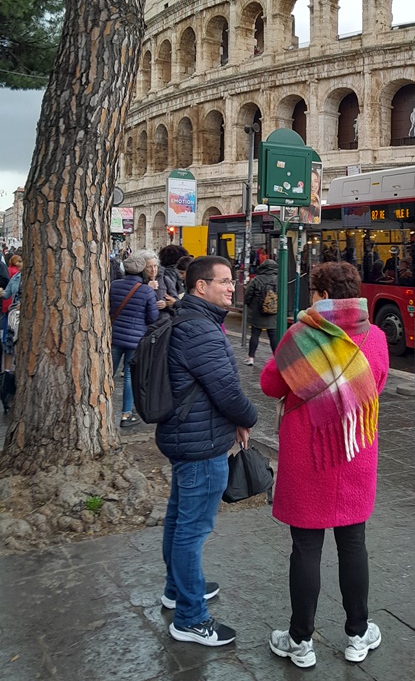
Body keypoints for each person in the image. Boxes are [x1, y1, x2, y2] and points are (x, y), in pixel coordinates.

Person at [261, 261, 390, 668]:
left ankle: (300, 640)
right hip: (354, 450)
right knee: (353, 544)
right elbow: (377, 384)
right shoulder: (375, 336)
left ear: (322, 295)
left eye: (313, 292)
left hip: (309, 455)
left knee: (305, 548)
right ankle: (357, 634)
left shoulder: (300, 335)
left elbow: (269, 385)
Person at [157, 255, 258, 646]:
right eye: (225, 281)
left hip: (188, 435)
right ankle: (191, 618)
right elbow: (227, 390)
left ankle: (178, 589)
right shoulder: (201, 329)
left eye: (232, 280)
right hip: (200, 443)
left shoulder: (189, 319)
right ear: (201, 286)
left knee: (179, 519)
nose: (232, 287)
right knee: (192, 530)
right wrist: (248, 418)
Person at [109, 251, 159, 427]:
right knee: (129, 377)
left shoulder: (114, 285)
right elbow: (153, 317)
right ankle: (126, 414)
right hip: (135, 339)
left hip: (114, 336)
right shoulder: (146, 291)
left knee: (108, 373)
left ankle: (101, 409)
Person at [243, 257, 279, 365]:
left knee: (255, 334)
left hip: (257, 311)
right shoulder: (279, 279)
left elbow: (248, 294)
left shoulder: (257, 279)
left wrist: (249, 303)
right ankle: (277, 359)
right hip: (273, 312)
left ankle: (251, 358)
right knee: (273, 336)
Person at [2, 254, 22, 371]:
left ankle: (19, 370)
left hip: (24, 314)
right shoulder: (15, 277)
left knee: (20, 343)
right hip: (13, 313)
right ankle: (7, 372)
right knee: (8, 343)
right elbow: (7, 294)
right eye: (17, 262)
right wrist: (1, 292)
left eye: (20, 261)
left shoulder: (31, 278)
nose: (18, 264)